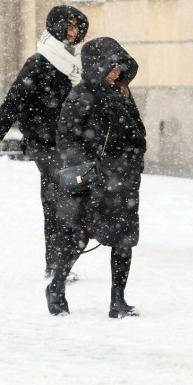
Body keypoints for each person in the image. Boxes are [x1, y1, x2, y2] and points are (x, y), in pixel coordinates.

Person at [0, 5, 88, 280]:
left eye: (77, 27)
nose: (73, 32)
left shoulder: (75, 64)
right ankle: (56, 264)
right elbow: (13, 101)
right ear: (57, 27)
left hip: (70, 143)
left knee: (74, 199)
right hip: (43, 143)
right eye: (69, 26)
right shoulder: (39, 62)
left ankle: (64, 258)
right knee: (56, 199)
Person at [46, 37, 146, 317]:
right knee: (79, 238)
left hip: (123, 180)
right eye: (112, 66)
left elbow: (137, 132)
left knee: (124, 240)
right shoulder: (80, 96)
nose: (117, 71)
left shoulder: (123, 94)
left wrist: (134, 162)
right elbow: (66, 138)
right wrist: (88, 166)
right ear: (96, 66)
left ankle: (118, 301)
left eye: (119, 65)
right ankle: (56, 287)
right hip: (92, 181)